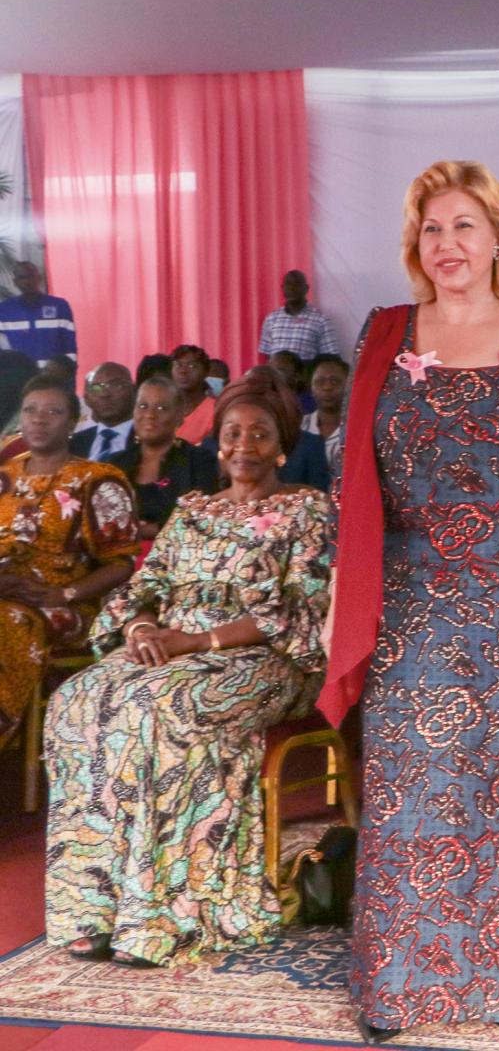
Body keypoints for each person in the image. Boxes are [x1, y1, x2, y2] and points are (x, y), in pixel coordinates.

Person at [322, 159, 499, 1044]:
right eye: (431, 229)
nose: (447, 245)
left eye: (463, 227)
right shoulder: (383, 334)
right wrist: (345, 589)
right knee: (406, 775)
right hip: (408, 595)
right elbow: (348, 477)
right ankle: (402, 987)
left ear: (496, 240)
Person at [44, 367, 334, 968]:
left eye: (259, 435)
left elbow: (299, 610)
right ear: (217, 440)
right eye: (232, 433)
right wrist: (142, 628)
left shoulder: (307, 509)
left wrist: (194, 643)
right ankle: (93, 907)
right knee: (75, 700)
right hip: (173, 647)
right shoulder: (193, 507)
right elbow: (143, 585)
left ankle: (167, 914)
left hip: (263, 659)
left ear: (282, 445)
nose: (243, 446)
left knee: (161, 710)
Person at [0, 376, 139, 742]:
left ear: (74, 421)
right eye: (30, 410)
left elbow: (121, 563)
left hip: (58, 602)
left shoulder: (99, 480)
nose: (38, 420)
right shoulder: (4, 475)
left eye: (53, 412)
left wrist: (64, 595)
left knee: (5, 621)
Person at [109, 375, 219, 539]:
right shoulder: (114, 463)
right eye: (143, 406)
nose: (150, 415)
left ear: (179, 416)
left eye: (162, 408)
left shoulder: (198, 460)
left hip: (179, 558)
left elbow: (203, 519)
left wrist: (141, 531)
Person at [0, 262, 76, 361]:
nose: (27, 281)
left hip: (53, 374)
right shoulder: (4, 310)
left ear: (39, 278)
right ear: (15, 282)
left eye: (31, 276)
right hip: (18, 374)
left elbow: (69, 344)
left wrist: (68, 372)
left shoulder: (59, 306)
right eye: (22, 277)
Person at [258, 269, 338, 362]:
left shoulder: (321, 320)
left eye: (297, 284)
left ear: (306, 288)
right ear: (283, 288)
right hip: (276, 374)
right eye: (288, 284)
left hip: (304, 375)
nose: (292, 288)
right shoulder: (271, 319)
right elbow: (266, 354)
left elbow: (330, 357)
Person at [69, 363, 136, 462]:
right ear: (86, 398)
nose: (104, 394)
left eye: (114, 385)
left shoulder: (147, 440)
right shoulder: (74, 444)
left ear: (134, 391)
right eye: (96, 387)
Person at [303, 353, 348, 477]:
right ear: (310, 387)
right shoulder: (297, 427)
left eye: (334, 382)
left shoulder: (359, 430)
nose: (327, 387)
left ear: (349, 385)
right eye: (320, 382)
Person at [171, 345, 216, 444]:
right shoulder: (164, 406)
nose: (183, 371)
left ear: (205, 372)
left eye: (191, 366)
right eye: (178, 365)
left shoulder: (215, 410)